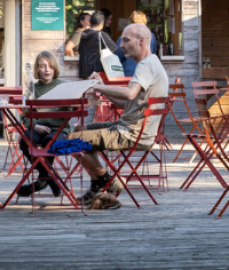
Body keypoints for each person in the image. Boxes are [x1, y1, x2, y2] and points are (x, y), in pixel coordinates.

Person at [68, 23, 169, 207]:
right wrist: (104, 89)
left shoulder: (146, 66)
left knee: (70, 141)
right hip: (130, 129)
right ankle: (99, 183)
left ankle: (107, 181)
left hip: (130, 134)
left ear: (141, 41)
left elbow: (129, 93)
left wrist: (97, 86)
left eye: (126, 40)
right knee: (79, 130)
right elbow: (127, 104)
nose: (121, 45)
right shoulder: (151, 64)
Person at [16, 51, 70, 198]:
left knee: (50, 142)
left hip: (58, 129)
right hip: (38, 126)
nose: (47, 70)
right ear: (37, 69)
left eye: (50, 66)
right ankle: (50, 178)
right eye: (42, 66)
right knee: (24, 142)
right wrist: (35, 126)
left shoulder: (64, 86)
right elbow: (26, 115)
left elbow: (70, 112)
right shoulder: (32, 88)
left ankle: (43, 179)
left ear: (55, 68)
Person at [78, 11, 118, 79]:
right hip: (98, 73)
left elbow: (79, 50)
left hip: (85, 73)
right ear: (101, 23)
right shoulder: (101, 35)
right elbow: (115, 49)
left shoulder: (84, 34)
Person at [118, 10, 158, 77]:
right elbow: (153, 52)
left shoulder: (124, 36)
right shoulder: (151, 36)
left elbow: (118, 55)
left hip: (129, 72)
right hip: (146, 72)